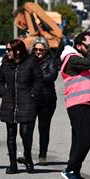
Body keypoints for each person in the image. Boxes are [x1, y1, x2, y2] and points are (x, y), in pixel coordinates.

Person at [59, 31, 90, 179]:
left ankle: (74, 172)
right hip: (78, 104)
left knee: (78, 140)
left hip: (82, 104)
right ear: (78, 46)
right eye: (87, 44)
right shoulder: (72, 59)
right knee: (85, 140)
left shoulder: (77, 59)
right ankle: (70, 169)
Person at [0, 39, 43, 174]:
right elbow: (0, 80)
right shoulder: (6, 63)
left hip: (27, 102)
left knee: (25, 133)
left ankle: (28, 159)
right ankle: (12, 165)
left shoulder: (31, 62)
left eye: (8, 50)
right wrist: (2, 92)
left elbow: (38, 80)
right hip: (9, 103)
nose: (7, 52)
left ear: (17, 50)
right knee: (11, 135)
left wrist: (33, 94)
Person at [17, 37, 58, 166]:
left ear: (46, 50)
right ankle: (26, 154)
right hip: (30, 99)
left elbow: (52, 76)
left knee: (43, 128)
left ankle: (42, 156)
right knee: (26, 129)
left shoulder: (51, 61)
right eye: (36, 49)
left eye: (41, 49)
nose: (38, 51)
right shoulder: (27, 61)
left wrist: (35, 77)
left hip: (47, 99)